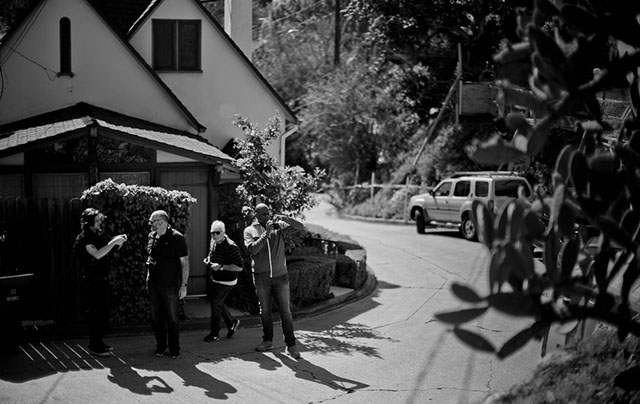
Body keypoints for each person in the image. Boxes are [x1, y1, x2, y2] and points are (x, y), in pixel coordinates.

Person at [243, 203, 305, 359]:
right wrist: (266, 234)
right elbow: (253, 250)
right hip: (261, 277)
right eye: (263, 214)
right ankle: (267, 340)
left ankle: (291, 345)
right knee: (265, 311)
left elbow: (300, 227)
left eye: (268, 213)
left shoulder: (279, 227)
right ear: (256, 216)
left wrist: (286, 218)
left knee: (286, 312)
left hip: (280, 276)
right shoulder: (250, 231)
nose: (267, 216)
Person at [73, 208, 127, 357]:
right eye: (96, 221)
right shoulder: (84, 238)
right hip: (91, 281)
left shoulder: (98, 233)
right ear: (88, 222)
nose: (99, 223)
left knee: (103, 312)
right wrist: (114, 242)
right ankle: (94, 345)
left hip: (103, 279)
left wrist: (118, 240)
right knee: (95, 313)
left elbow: (109, 245)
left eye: (99, 220)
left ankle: (99, 342)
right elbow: (97, 254)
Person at [146, 210, 189, 359]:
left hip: (170, 285)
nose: (150, 225)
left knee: (172, 318)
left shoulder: (177, 238)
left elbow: (184, 262)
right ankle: (161, 347)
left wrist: (183, 285)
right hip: (153, 284)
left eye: (152, 222)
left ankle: (174, 350)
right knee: (155, 318)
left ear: (162, 222)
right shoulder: (151, 236)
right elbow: (150, 257)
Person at [203, 220, 243, 342]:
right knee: (218, 302)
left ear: (223, 232)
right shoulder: (213, 241)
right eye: (212, 233)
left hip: (227, 281)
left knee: (215, 304)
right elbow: (211, 253)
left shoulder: (231, 246)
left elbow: (239, 267)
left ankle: (214, 334)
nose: (214, 235)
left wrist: (221, 267)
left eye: (217, 233)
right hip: (216, 278)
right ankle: (231, 323)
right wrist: (208, 260)